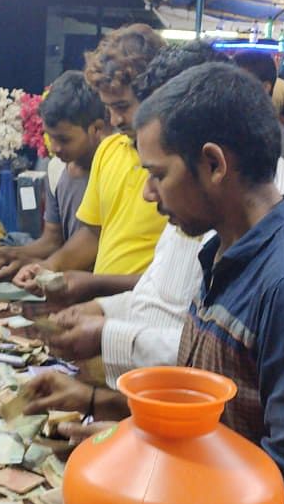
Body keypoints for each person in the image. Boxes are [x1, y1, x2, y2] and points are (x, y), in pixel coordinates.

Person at [22, 63, 284, 504]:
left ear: (214, 165)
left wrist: (156, 481)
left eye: (158, 175)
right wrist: (108, 415)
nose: (148, 196)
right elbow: (218, 425)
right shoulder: (224, 256)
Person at [41, 40, 284, 384]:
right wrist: (101, 312)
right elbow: (171, 308)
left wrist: (108, 335)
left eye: (159, 173)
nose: (149, 192)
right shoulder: (208, 216)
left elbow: (224, 370)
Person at [12, 24, 168, 305]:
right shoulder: (110, 149)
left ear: (155, 93)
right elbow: (92, 234)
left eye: (122, 106)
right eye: (108, 108)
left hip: (151, 319)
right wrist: (49, 268)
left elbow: (177, 278)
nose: (116, 120)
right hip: (105, 319)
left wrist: (93, 284)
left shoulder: (176, 166)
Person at [0, 70, 109, 281]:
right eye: (50, 137)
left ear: (96, 128)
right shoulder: (55, 170)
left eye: (64, 139)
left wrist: (41, 268)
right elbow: (53, 241)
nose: (55, 147)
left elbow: (94, 238)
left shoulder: (114, 171)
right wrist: (8, 254)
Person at [233, 49, 284, 162]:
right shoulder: (227, 125)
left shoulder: (273, 134)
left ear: (265, 87)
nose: (231, 88)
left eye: (240, 82)